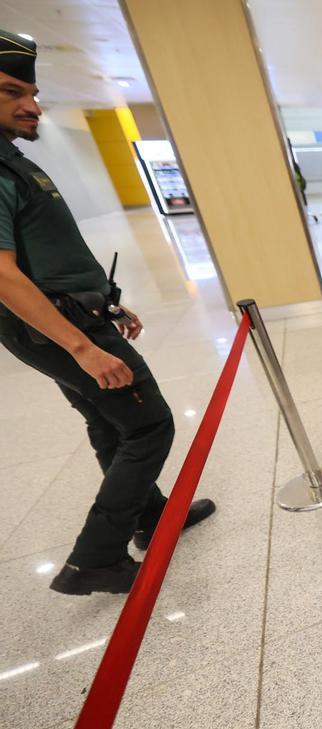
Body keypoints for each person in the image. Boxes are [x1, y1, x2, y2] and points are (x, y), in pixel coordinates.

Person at [0, 32, 214, 595]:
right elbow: (2, 274)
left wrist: (103, 302)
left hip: (71, 314)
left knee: (108, 420)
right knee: (149, 424)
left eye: (32, 93)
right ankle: (96, 556)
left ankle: (152, 517)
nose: (31, 105)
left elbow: (47, 256)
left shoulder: (14, 161)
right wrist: (82, 346)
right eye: (11, 92)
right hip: (58, 328)